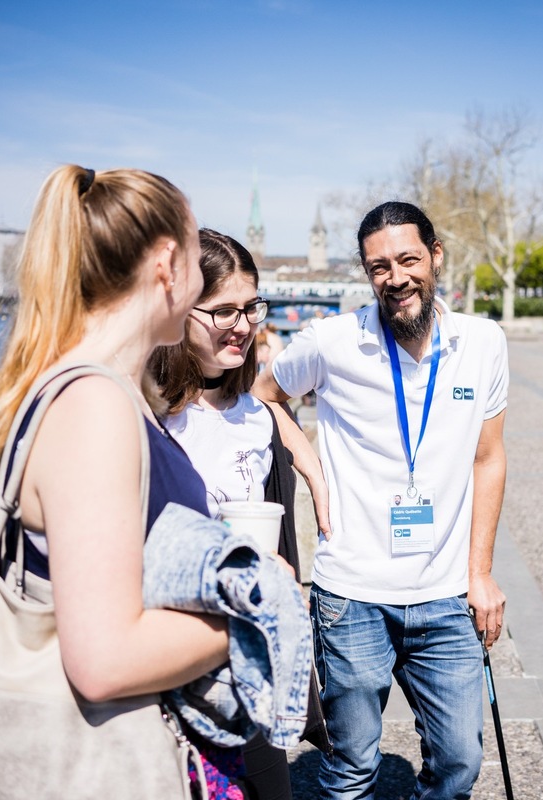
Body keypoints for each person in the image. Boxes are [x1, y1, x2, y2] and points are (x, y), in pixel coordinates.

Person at [0, 165, 242, 796]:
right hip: (112, 760)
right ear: (169, 265)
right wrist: (254, 609)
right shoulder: (96, 405)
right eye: (197, 255)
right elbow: (103, 660)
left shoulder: (109, 390)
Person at [254, 200, 509, 799]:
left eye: (408, 259)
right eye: (378, 267)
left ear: (436, 256)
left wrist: (481, 573)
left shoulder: (484, 342)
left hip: (446, 594)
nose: (395, 278)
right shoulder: (331, 340)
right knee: (350, 771)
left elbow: (488, 457)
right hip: (352, 596)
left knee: (460, 764)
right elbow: (264, 394)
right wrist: (311, 464)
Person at [148, 228, 301, 799]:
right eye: (224, 311)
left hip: (250, 659)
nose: (243, 324)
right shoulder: (149, 416)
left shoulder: (256, 417)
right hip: (177, 662)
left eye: (251, 308)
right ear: (182, 311)